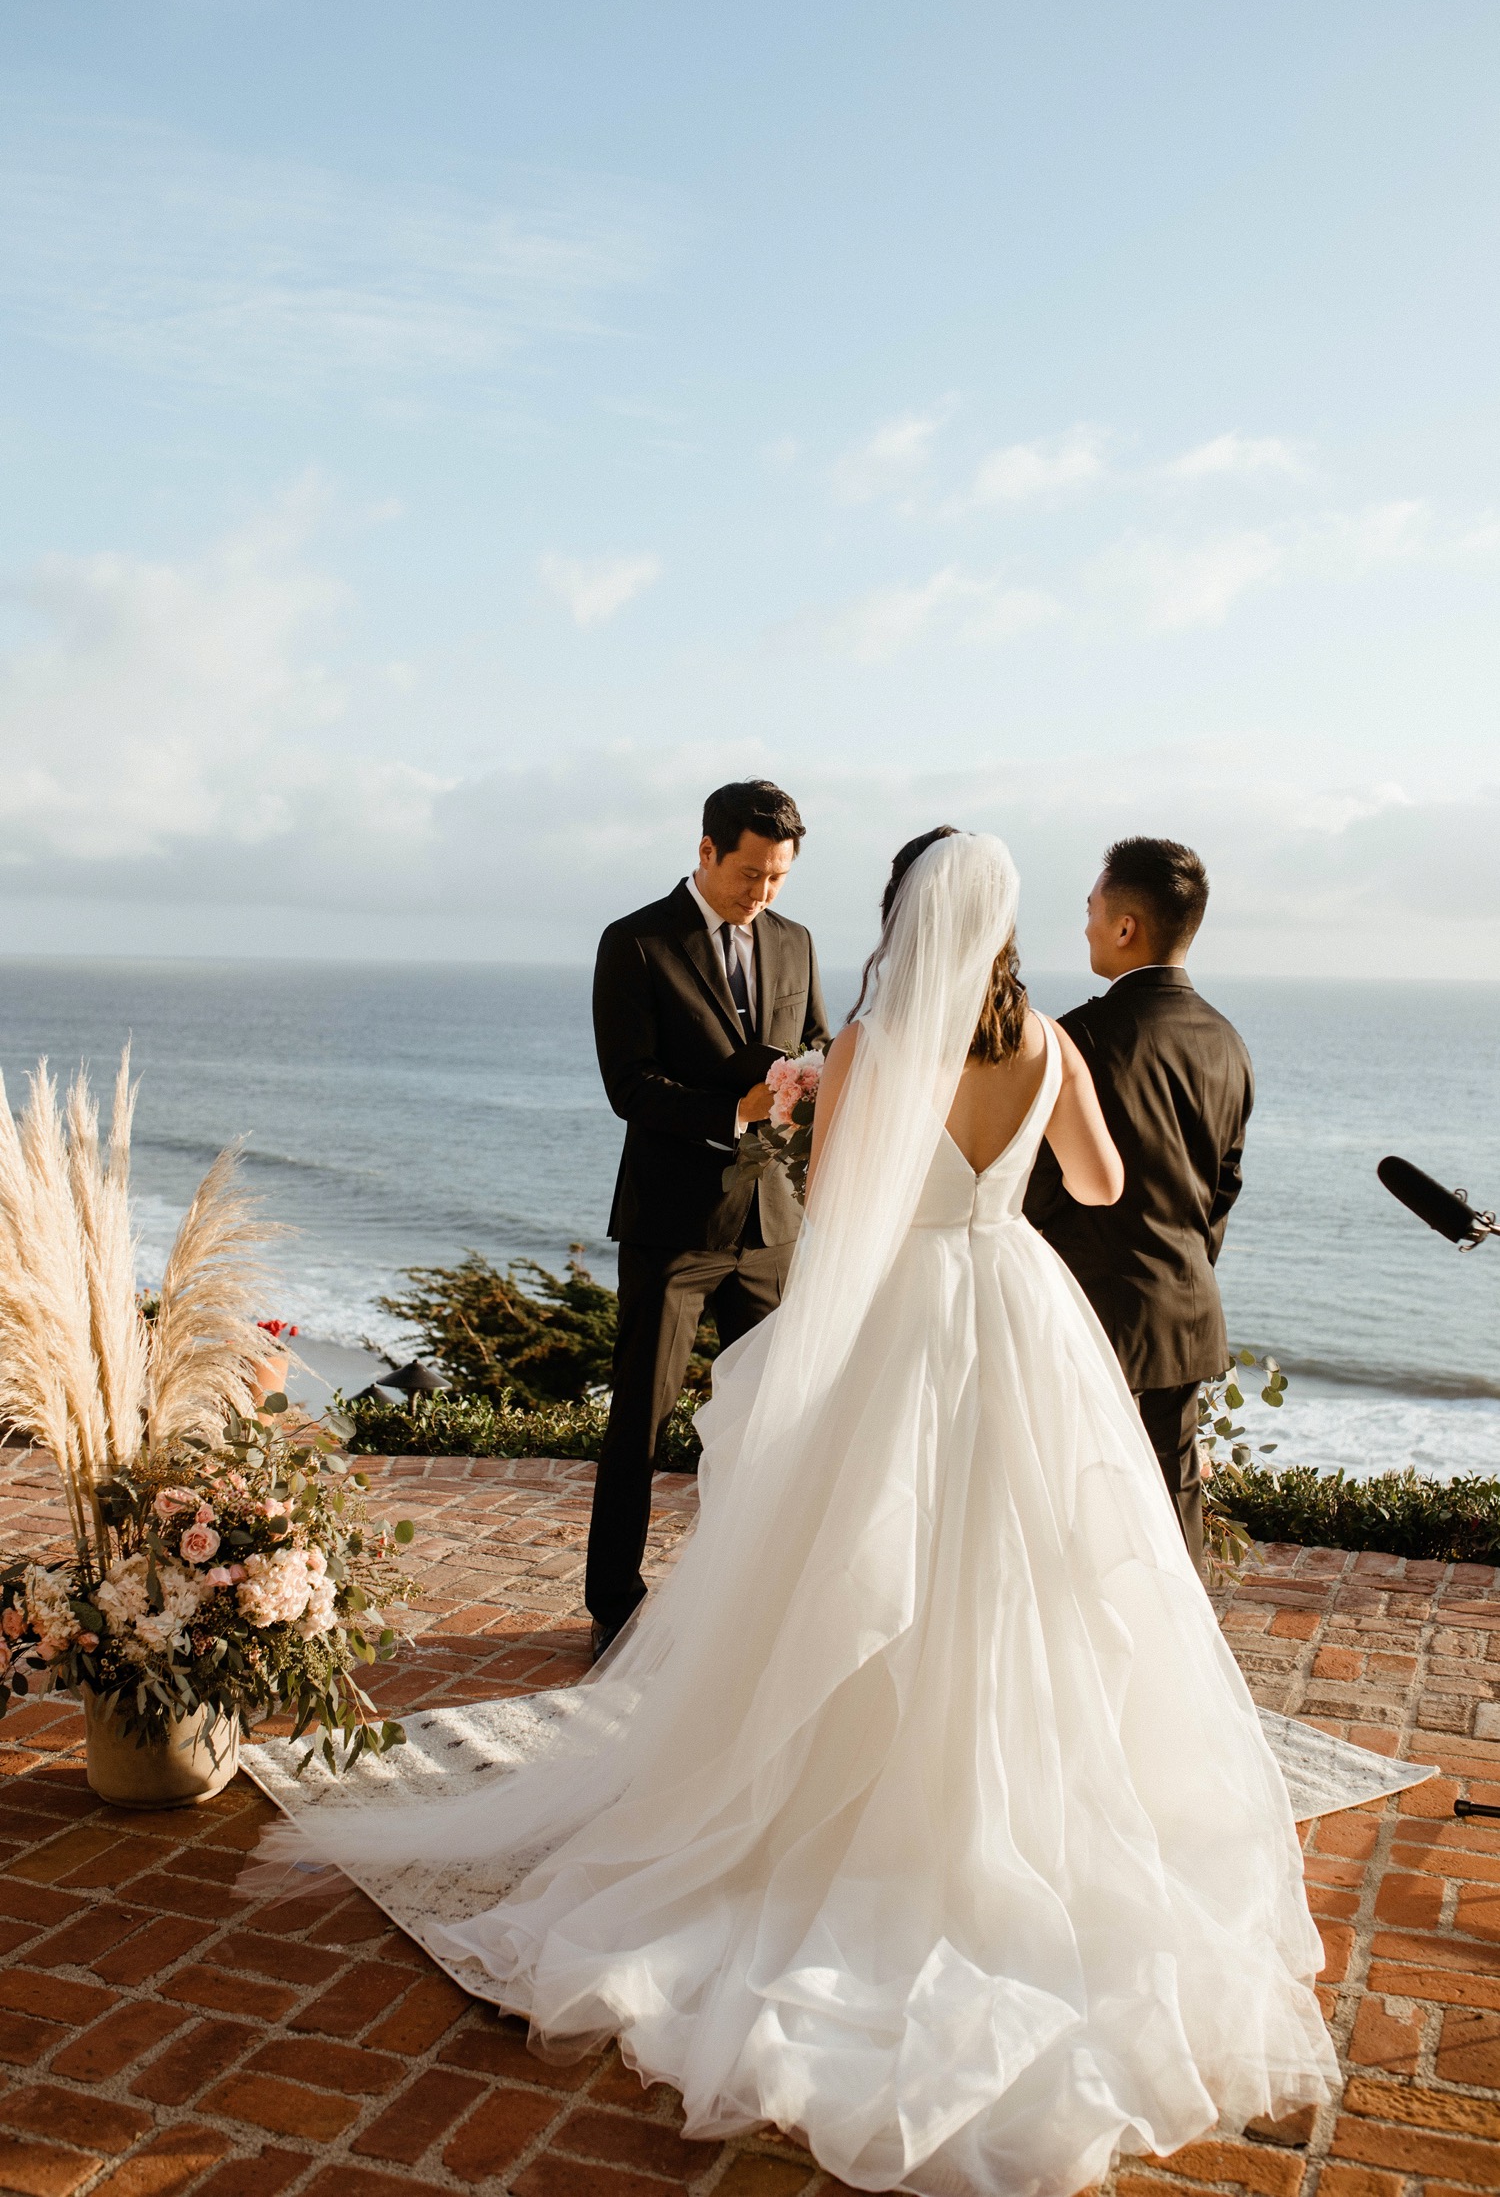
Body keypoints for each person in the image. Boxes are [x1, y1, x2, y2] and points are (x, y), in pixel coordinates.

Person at [273, 829, 1335, 2197]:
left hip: (909, 1322)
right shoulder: (1057, 1053)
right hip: (1019, 1315)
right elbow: (1104, 1187)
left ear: (910, 920)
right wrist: (999, 1194)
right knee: (1030, 1569)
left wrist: (838, 1136)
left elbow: (835, 1219)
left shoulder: (880, 1055)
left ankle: (848, 1797)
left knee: (863, 1560)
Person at [586, 779, 829, 1658]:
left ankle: (748, 1602)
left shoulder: (796, 943)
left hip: (773, 1226)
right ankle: (614, 1604)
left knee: (772, 1420)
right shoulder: (635, 943)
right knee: (640, 1423)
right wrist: (737, 1109)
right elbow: (631, 1088)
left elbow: (818, 1053)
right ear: (705, 850)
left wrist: (804, 1099)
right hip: (673, 1226)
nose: (761, 894)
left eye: (777, 878)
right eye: (750, 874)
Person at [1024, 838, 1253, 1571]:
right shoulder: (1227, 1041)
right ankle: (1182, 1675)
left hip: (1093, 1312)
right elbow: (1221, 1190)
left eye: (1093, 909)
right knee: (1171, 1501)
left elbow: (1035, 1189)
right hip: (1183, 1308)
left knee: (1077, 1509)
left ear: (1127, 927)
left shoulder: (1079, 1038)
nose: (1087, 924)